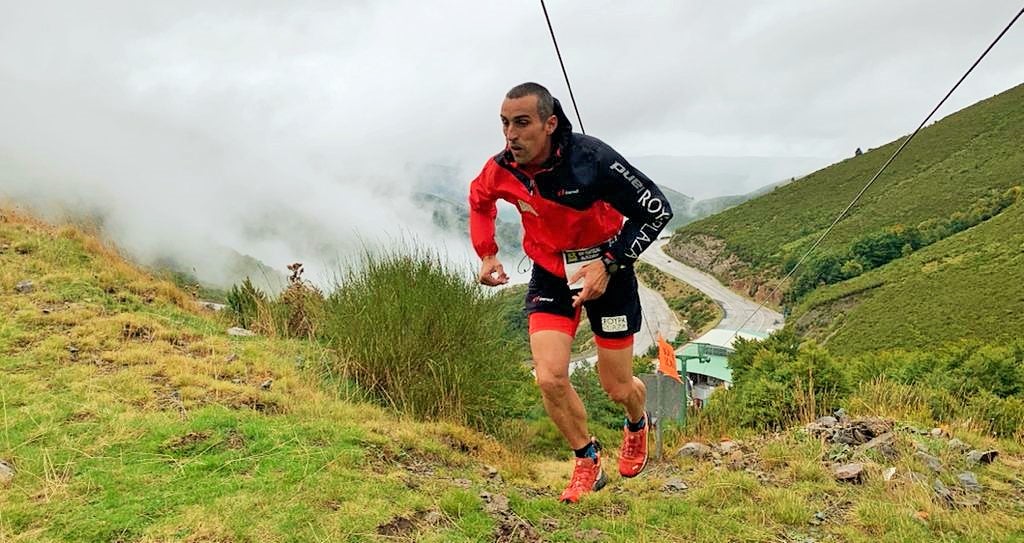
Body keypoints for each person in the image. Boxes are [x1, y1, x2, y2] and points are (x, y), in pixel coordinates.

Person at [468, 82, 673, 503]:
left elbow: (656, 210)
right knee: (549, 376)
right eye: (505, 124)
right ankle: (586, 457)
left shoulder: (592, 159)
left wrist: (611, 262)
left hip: (607, 271)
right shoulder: (501, 168)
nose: (510, 134)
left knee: (616, 387)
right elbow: (479, 201)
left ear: (550, 123)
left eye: (522, 123)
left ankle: (637, 422)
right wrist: (487, 253)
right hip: (549, 272)